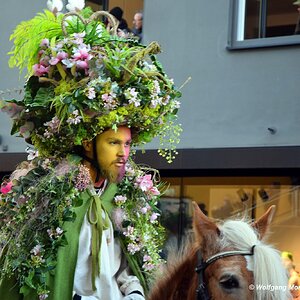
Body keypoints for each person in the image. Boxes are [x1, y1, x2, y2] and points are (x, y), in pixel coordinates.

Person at [0, 1, 182, 299]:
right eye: (113, 143)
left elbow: (127, 267)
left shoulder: (123, 198)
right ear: (88, 143)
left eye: (127, 144)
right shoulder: (57, 194)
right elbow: (44, 272)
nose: (124, 152)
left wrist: (134, 291)